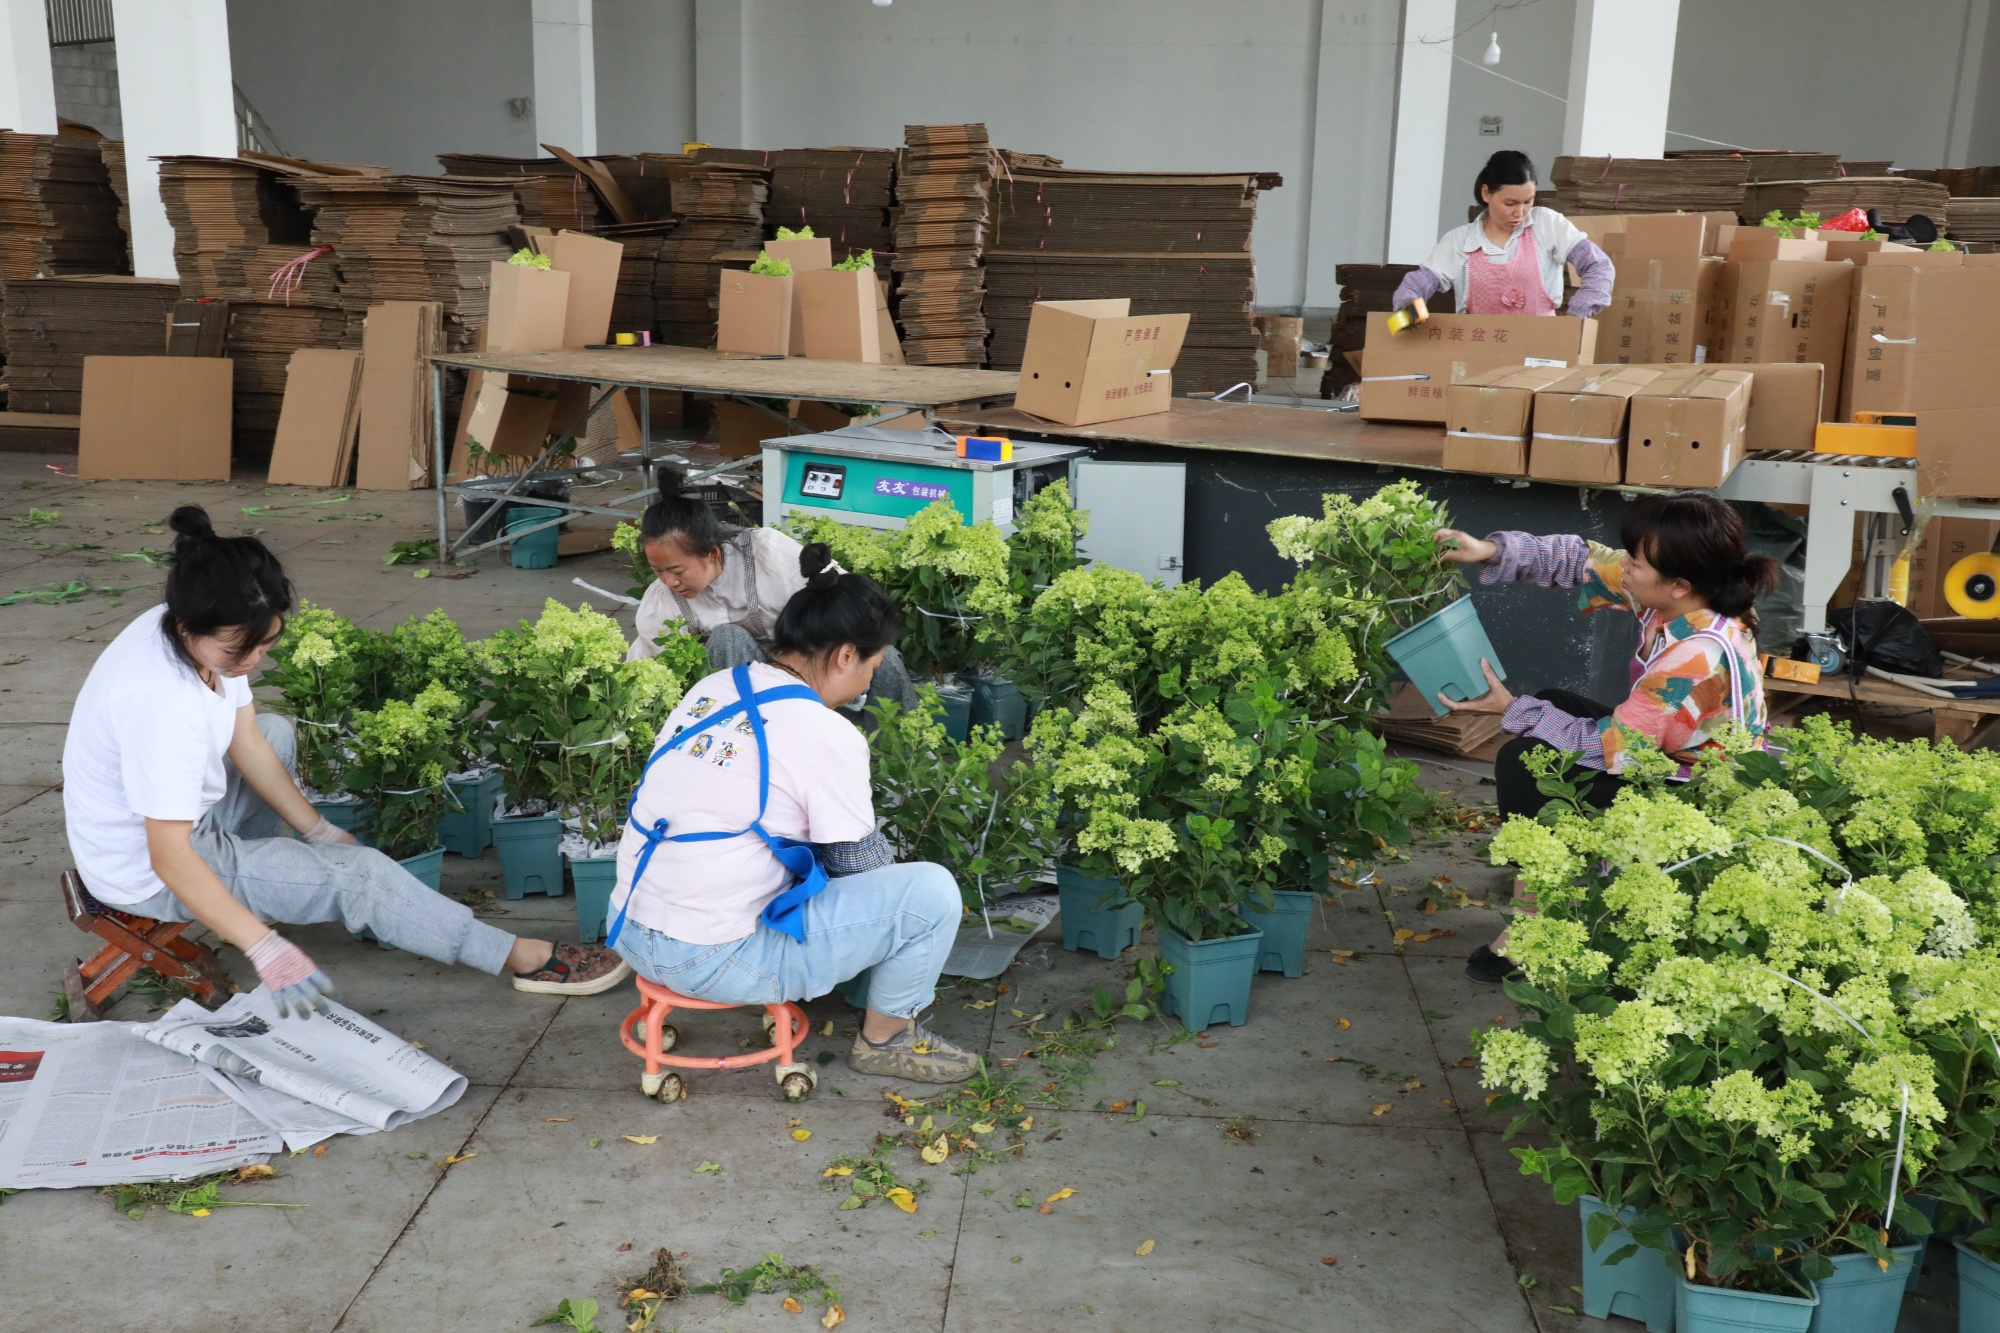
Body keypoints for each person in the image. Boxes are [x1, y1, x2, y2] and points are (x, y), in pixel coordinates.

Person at [61, 507, 631, 1018]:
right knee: (361, 880)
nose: (254, 663)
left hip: (169, 824)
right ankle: (522, 957)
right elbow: (170, 857)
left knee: (275, 732)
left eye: (265, 645)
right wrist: (265, 947)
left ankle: (252, 889)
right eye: (241, 651)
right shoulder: (162, 708)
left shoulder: (196, 629)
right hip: (148, 868)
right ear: (189, 627)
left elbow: (250, 743)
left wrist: (318, 829)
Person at [606, 542, 976, 1083]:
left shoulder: (714, 687)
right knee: (930, 896)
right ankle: (887, 1038)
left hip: (630, 930)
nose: (870, 681)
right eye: (873, 666)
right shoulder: (825, 731)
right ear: (846, 655)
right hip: (711, 958)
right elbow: (861, 868)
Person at [1432, 492, 1778, 984]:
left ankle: (1538, 928)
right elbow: (1583, 559)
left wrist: (1512, 709)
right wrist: (1489, 551)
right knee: (1556, 704)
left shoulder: (1695, 656)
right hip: (1666, 756)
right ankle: (1575, 872)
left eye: (1637, 562)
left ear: (1679, 584)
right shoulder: (1692, 595)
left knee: (1525, 761)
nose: (1627, 568)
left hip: (1696, 797)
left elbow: (1613, 748)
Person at [626, 468, 920, 714]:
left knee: (886, 658)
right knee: (728, 638)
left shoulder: (766, 554)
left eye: (677, 571)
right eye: (657, 571)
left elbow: (840, 596)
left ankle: (895, 769)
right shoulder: (662, 602)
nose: (669, 582)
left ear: (713, 554)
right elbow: (648, 665)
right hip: (739, 703)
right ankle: (748, 749)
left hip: (811, 673)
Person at [1391, 149, 1614, 320]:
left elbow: (1599, 266)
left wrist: (1577, 316)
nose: (1520, 213)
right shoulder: (1459, 241)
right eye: (1510, 203)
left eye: (1528, 202)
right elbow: (1416, 285)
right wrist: (1408, 322)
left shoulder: (1546, 224)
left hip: (1541, 356)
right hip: (1477, 355)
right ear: (1486, 193)